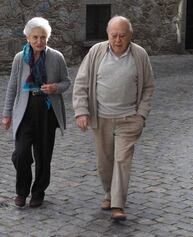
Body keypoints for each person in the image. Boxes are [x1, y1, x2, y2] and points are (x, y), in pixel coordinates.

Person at [73, 16, 154, 221]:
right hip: (101, 118)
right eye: (114, 35)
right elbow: (82, 83)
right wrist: (81, 111)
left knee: (121, 160)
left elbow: (148, 88)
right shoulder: (96, 52)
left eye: (122, 36)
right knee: (105, 162)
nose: (118, 40)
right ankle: (109, 193)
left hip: (129, 119)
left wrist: (141, 115)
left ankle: (118, 205)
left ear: (130, 36)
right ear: (108, 34)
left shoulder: (140, 55)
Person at [2, 17, 71, 208]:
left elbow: (67, 82)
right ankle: (21, 192)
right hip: (25, 110)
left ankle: (38, 192)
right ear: (28, 38)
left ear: (47, 38)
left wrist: (55, 87)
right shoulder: (19, 58)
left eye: (43, 37)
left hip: (47, 111)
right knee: (21, 154)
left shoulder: (56, 57)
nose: (39, 41)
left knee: (43, 155)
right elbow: (12, 87)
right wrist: (7, 114)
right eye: (35, 37)